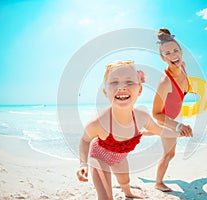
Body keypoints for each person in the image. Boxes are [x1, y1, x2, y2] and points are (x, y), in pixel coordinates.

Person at [76, 60, 187, 199]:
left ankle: (128, 193)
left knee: (125, 181)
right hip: (99, 156)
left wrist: (178, 133)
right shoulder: (99, 122)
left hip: (120, 156)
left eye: (129, 82)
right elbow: (85, 140)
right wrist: (83, 164)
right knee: (105, 197)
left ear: (139, 90)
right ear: (105, 92)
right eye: (114, 82)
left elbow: (160, 130)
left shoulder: (142, 117)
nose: (122, 87)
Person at [152, 28, 193, 192]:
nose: (173, 55)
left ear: (181, 51)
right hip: (166, 121)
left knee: (154, 133)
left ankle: (139, 132)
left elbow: (181, 89)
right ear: (162, 57)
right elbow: (156, 113)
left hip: (176, 115)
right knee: (169, 154)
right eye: (167, 53)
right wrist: (177, 126)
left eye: (176, 50)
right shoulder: (164, 82)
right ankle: (158, 183)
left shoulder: (183, 65)